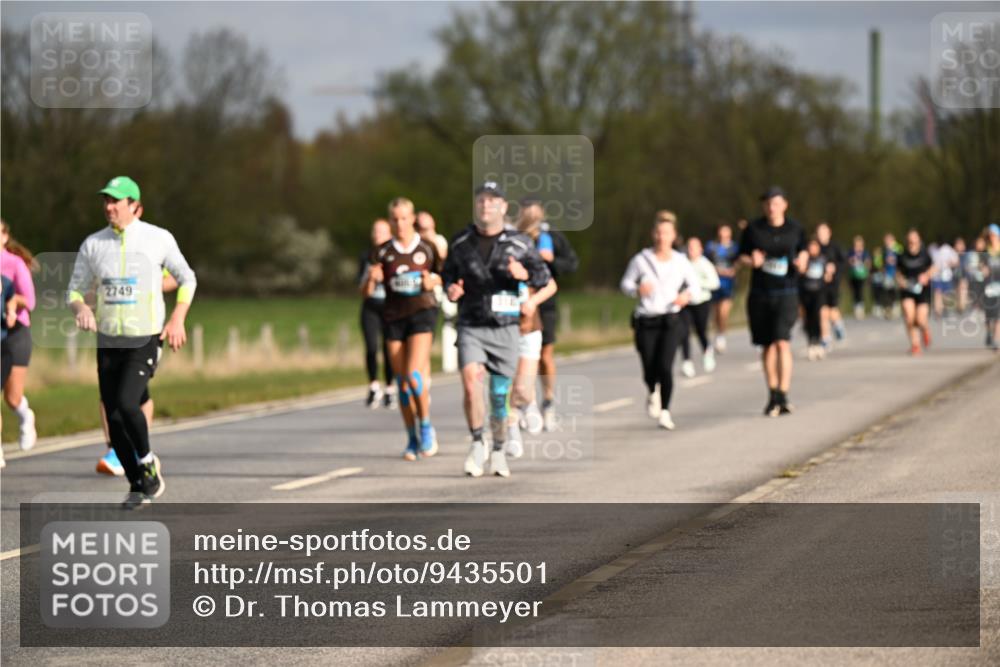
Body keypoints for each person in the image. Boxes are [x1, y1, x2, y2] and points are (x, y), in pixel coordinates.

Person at [68, 176, 197, 509]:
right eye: (106, 201)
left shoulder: (158, 238)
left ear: (135, 206)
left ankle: (148, 461)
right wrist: (81, 306)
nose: (109, 207)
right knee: (113, 421)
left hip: (144, 338)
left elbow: (187, 278)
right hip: (108, 340)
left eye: (117, 201)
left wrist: (178, 318)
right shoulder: (93, 244)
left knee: (128, 404)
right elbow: (74, 289)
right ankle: (138, 484)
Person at [442, 181, 552, 478]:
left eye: (493, 201)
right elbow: (448, 276)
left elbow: (544, 278)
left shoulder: (519, 243)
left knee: (499, 395)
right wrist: (451, 289)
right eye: (481, 200)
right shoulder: (460, 242)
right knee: (470, 383)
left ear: (503, 207)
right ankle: (478, 441)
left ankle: (499, 449)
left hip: (505, 327)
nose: (486, 205)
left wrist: (525, 276)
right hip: (472, 324)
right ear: (476, 206)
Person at [365, 198, 443, 460]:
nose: (400, 224)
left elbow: (442, 276)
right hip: (393, 316)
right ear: (390, 221)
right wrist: (371, 280)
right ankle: (411, 438)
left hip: (422, 313)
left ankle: (426, 425)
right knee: (401, 385)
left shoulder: (427, 248)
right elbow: (365, 291)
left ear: (412, 219)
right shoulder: (382, 252)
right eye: (395, 219)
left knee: (413, 375)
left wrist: (431, 281)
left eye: (404, 218)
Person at [97, 261, 178, 476]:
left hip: (146, 332)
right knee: (112, 394)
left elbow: (176, 278)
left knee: (134, 394)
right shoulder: (109, 249)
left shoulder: (153, 245)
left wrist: (148, 286)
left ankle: (140, 449)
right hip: (114, 332)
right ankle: (115, 450)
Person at [620, 211, 698, 430]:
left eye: (666, 233)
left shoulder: (681, 261)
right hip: (646, 319)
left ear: (673, 236)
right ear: (653, 234)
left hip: (670, 319)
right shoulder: (641, 260)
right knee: (649, 367)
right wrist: (637, 289)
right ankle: (651, 390)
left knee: (665, 366)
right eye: (659, 232)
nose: (662, 237)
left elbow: (695, 286)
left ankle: (665, 411)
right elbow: (625, 285)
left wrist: (686, 296)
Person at [738, 187, 808, 417]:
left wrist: (802, 262)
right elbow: (741, 256)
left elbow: (805, 252)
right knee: (767, 345)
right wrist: (751, 260)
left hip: (787, 293)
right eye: (767, 203)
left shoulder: (795, 229)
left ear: (784, 205)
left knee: (782, 342)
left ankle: (783, 395)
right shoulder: (753, 229)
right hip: (760, 293)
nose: (771, 207)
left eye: (775, 203)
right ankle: (772, 394)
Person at [506, 203, 558, 457]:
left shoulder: (528, 249)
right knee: (503, 387)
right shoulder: (489, 254)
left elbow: (550, 284)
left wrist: (532, 301)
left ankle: (530, 403)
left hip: (528, 326)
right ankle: (512, 433)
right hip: (501, 327)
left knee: (521, 389)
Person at [527, 201, 579, 432]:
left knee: (544, 355)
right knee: (522, 356)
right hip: (520, 304)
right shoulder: (512, 238)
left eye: (535, 215)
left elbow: (572, 263)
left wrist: (551, 260)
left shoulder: (553, 237)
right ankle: (524, 405)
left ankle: (548, 402)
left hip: (545, 303)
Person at [1, 220, 37, 451]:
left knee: (12, 397)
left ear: (4, 237)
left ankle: (26, 417)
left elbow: (30, 301)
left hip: (15, 333)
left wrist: (12, 301)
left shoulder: (14, 264)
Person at [358, 219, 395, 409]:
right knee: (371, 348)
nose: (377, 234)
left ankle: (389, 389)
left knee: (389, 350)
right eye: (375, 231)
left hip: (390, 307)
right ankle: (373, 385)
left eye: (382, 231)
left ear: (390, 233)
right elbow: (361, 289)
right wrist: (371, 279)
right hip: (370, 306)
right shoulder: (366, 256)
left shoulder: (395, 254)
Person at [679, 236, 720, 376]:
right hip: (685, 303)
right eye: (688, 247)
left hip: (702, 301)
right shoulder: (682, 263)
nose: (691, 250)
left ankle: (707, 352)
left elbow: (715, 283)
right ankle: (687, 361)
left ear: (700, 249)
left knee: (701, 330)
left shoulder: (705, 264)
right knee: (684, 331)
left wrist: (697, 285)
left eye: (694, 247)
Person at [896, 228, 936, 356]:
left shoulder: (925, 254)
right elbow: (898, 273)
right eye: (910, 240)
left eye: (914, 240)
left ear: (919, 240)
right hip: (907, 289)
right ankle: (915, 345)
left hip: (922, 290)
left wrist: (926, 276)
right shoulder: (902, 255)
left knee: (920, 319)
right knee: (909, 317)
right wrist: (901, 281)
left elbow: (934, 268)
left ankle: (925, 330)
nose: (912, 243)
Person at [705, 223, 740, 353]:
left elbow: (739, 261)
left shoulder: (734, 247)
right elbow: (706, 262)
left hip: (728, 285)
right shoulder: (711, 247)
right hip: (714, 283)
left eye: (726, 232)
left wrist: (734, 269)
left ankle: (721, 335)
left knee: (723, 312)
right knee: (716, 313)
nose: (723, 235)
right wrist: (717, 270)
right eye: (721, 232)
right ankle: (718, 333)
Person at [800, 238, 832, 360]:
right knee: (808, 319)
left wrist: (829, 273)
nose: (813, 249)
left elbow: (828, 277)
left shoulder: (823, 259)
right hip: (806, 292)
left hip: (819, 292)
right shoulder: (805, 259)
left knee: (818, 317)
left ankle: (819, 342)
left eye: (815, 246)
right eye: (810, 247)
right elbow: (800, 273)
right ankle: (811, 343)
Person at [816, 222, 846, 346]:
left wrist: (834, 269)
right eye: (819, 232)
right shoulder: (814, 247)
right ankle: (825, 338)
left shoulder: (835, 247)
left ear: (829, 233)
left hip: (833, 284)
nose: (821, 235)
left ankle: (838, 324)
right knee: (822, 310)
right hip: (818, 284)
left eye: (823, 232)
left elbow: (844, 263)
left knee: (832, 309)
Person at [930, 236, 959, 319]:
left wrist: (949, 263)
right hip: (936, 276)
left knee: (946, 294)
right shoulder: (932, 248)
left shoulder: (948, 249)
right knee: (937, 293)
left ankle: (947, 310)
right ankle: (938, 311)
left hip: (946, 276)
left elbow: (956, 261)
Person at [981, 225, 1000, 351]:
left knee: (998, 315)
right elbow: (981, 267)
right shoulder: (985, 251)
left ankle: (996, 340)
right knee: (989, 315)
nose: (992, 238)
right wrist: (983, 270)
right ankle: (988, 333)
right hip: (988, 287)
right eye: (990, 235)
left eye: (993, 235)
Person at [846, 235, 871, 319]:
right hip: (853, 274)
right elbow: (848, 261)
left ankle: (860, 308)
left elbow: (868, 263)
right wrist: (852, 261)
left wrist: (864, 265)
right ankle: (855, 307)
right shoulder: (851, 252)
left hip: (862, 275)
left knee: (860, 291)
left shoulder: (865, 252)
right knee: (854, 291)